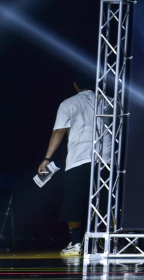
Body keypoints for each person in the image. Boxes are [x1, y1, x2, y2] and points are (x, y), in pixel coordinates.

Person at [38, 76, 102, 258]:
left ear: (75, 85)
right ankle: (109, 243)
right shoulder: (109, 102)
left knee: (74, 200)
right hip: (106, 158)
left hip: (79, 157)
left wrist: (47, 158)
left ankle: (75, 243)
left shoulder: (69, 103)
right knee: (106, 200)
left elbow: (59, 130)